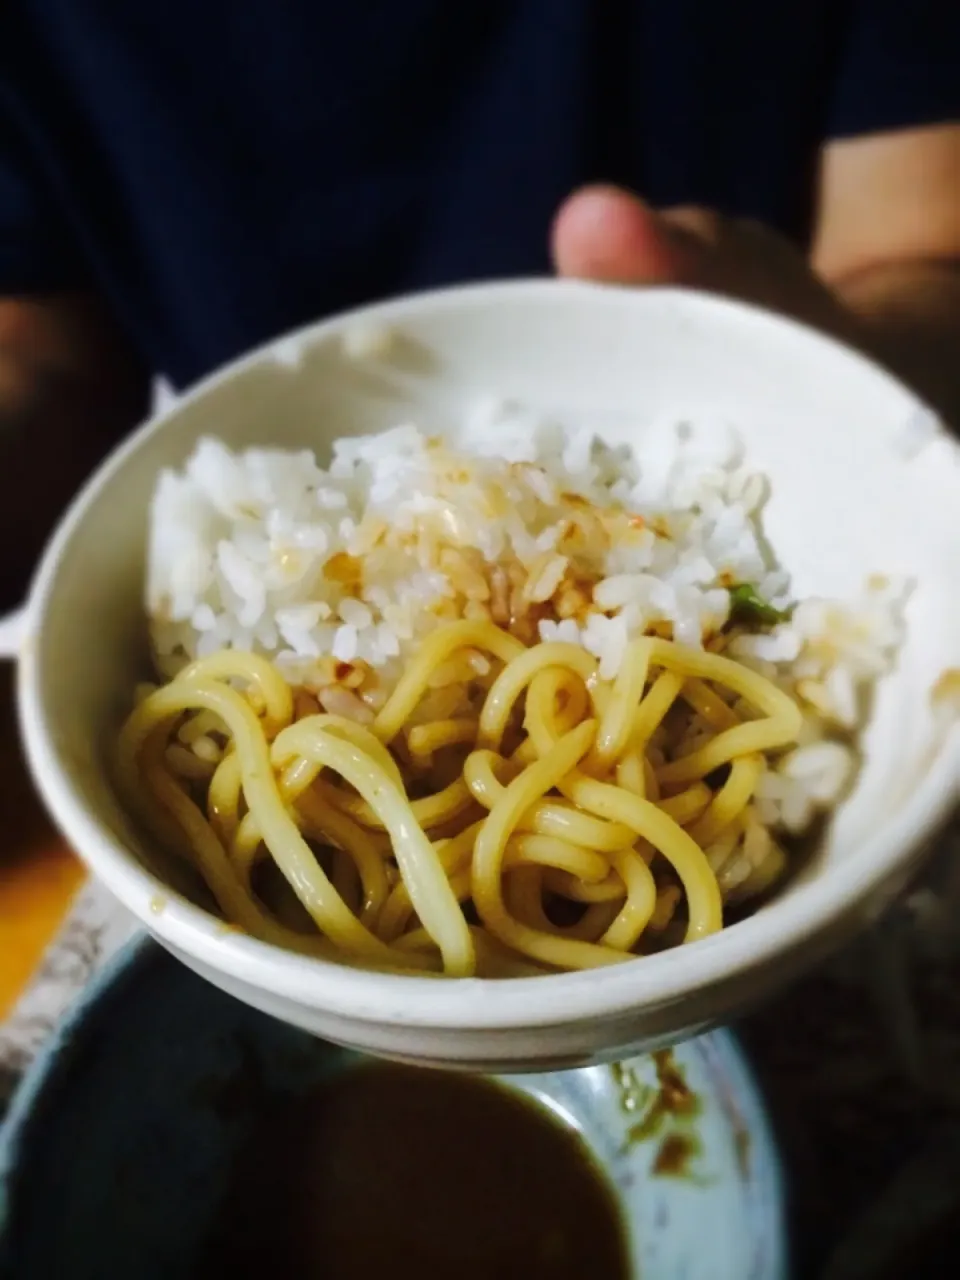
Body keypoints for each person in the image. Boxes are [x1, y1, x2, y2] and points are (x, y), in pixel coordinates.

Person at [0, 1, 957, 607]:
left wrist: (844, 381)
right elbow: (42, 347)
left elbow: (923, 253)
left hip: (775, 523)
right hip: (274, 578)